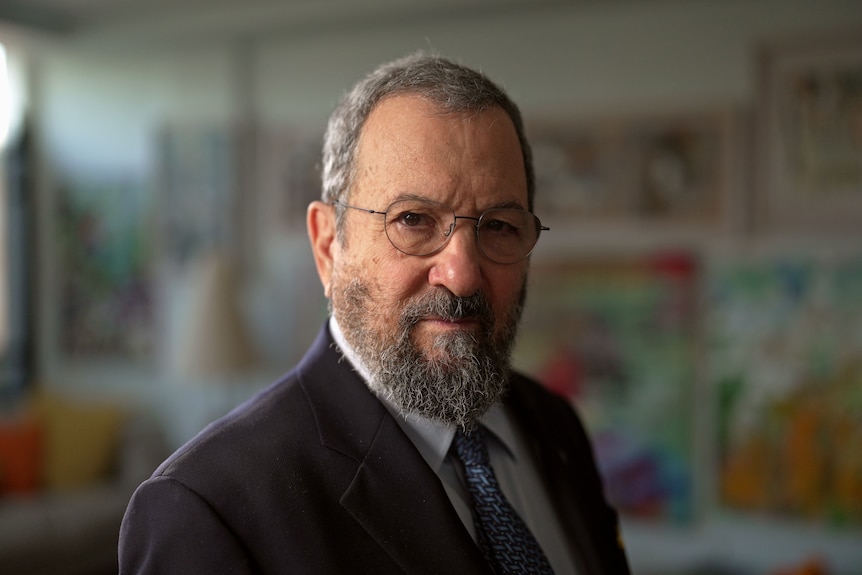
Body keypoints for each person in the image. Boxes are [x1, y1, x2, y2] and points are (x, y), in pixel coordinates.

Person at [118, 53, 630, 575]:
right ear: (327, 246)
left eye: (498, 225)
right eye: (413, 220)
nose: (462, 274)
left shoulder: (554, 425)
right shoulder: (209, 510)